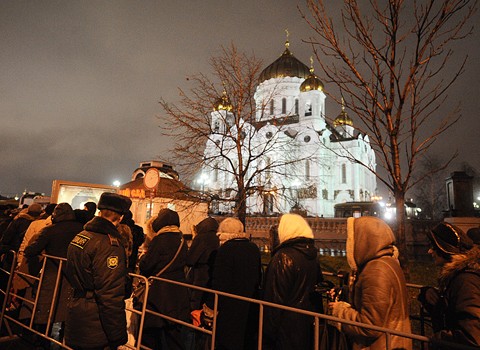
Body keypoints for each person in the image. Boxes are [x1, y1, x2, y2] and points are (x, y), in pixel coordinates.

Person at [328, 216, 411, 350]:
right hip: (393, 342)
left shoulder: (376, 271)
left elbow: (369, 325)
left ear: (363, 241)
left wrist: (340, 312)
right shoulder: (388, 262)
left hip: (382, 345)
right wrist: (346, 292)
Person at [65, 192, 132, 350]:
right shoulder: (109, 245)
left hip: (77, 313)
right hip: (96, 323)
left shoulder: (82, 236)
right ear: (120, 217)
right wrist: (118, 335)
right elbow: (110, 295)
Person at [24, 203, 84, 345]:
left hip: (52, 273)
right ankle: (65, 341)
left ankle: (42, 340)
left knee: (48, 308)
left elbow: (31, 250)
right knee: (68, 310)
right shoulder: (81, 230)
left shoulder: (50, 230)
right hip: (74, 275)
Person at [262, 213, 323, 350]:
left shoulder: (283, 257)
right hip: (307, 327)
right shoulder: (312, 256)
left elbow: (274, 301)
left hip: (286, 330)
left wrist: (267, 336)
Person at [418, 222, 480, 348]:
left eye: (434, 247)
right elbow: (453, 312)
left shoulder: (465, 281)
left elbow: (472, 336)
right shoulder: (457, 277)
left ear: (445, 249)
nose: (429, 251)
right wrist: (431, 297)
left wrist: (434, 341)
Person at [205, 217, 261, 350]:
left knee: (226, 341)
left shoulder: (225, 250)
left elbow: (219, 281)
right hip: (249, 304)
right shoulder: (253, 248)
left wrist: (211, 306)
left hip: (229, 307)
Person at [138, 208, 190, 350]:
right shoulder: (181, 240)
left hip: (159, 293)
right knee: (173, 331)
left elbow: (147, 265)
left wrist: (142, 258)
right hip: (178, 291)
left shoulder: (160, 239)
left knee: (150, 330)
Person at [186, 216, 220, 311]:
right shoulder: (215, 238)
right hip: (210, 272)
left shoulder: (201, 238)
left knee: (195, 299)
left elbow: (190, 259)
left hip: (198, 274)